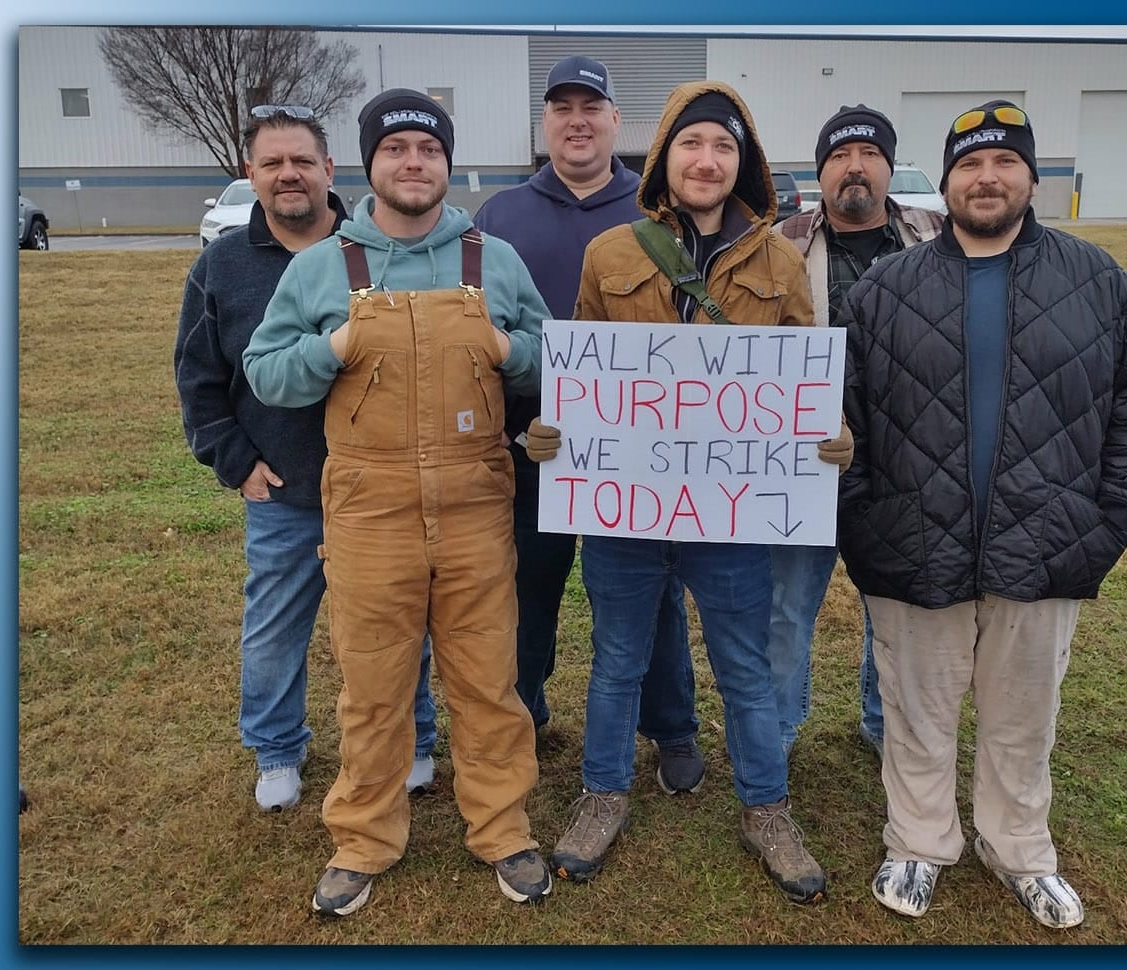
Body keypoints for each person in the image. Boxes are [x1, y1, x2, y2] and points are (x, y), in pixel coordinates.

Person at [836, 99, 1127, 928]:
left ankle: (1018, 847)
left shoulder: (1098, 281)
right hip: (912, 546)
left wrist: (1110, 521)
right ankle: (917, 843)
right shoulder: (886, 288)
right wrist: (863, 522)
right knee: (917, 712)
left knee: (1025, 719)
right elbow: (842, 419)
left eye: (1005, 162)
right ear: (946, 181)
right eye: (969, 165)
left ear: (1030, 176)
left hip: (1047, 545)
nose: (987, 178)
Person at [525, 81, 853, 905]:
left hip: (733, 516)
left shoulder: (780, 259)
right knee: (616, 662)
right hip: (625, 514)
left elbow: (802, 383)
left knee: (744, 665)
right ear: (665, 160)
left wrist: (829, 436)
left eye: (724, 149)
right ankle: (602, 795)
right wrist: (556, 434)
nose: (707, 162)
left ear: (742, 167)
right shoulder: (613, 254)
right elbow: (585, 379)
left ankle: (767, 809)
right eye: (692, 145)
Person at [243, 89, 552, 916]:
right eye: (396, 149)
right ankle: (363, 838)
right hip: (368, 510)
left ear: (447, 164)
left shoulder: (494, 259)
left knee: (488, 680)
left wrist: (508, 348)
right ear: (370, 164)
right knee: (373, 686)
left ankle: (503, 828)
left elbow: (558, 358)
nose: (413, 163)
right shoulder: (320, 267)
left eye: (428, 149)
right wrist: (334, 345)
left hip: (475, 504)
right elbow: (264, 370)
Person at [175, 105, 440, 814]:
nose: (288, 175)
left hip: (386, 490)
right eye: (272, 164)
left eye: (302, 161)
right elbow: (199, 377)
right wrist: (234, 462)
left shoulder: (386, 251)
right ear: (252, 176)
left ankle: (415, 739)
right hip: (287, 492)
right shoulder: (222, 268)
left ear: (330, 170)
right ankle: (277, 749)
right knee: (274, 630)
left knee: (397, 625)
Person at [472, 55, 704, 793]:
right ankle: (524, 713)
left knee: (652, 593)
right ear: (545, 122)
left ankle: (670, 728)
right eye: (562, 107)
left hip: (636, 453)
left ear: (615, 122)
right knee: (525, 587)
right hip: (528, 445)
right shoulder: (499, 216)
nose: (577, 120)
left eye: (591, 107)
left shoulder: (658, 212)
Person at [773, 105, 944, 760]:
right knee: (786, 604)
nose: (854, 166)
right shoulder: (782, 241)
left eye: (869, 154)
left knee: (895, 607)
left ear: (888, 166)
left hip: (907, 456)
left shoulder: (935, 235)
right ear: (821, 172)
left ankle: (884, 723)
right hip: (803, 459)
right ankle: (779, 729)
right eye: (840, 156)